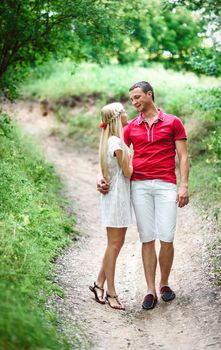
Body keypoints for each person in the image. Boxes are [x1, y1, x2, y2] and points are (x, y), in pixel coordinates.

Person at [97, 81, 189, 310]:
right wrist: (99, 176)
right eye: (132, 99)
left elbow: (184, 156)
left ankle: (164, 284)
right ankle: (150, 290)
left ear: (150, 95)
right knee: (147, 237)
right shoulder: (130, 127)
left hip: (166, 184)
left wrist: (184, 185)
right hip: (139, 186)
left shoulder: (173, 122)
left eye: (138, 97)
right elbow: (110, 152)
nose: (135, 102)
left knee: (167, 236)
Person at [89, 102, 133, 310]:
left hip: (117, 196)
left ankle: (99, 283)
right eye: (124, 111)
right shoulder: (116, 141)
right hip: (116, 197)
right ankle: (111, 292)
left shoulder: (111, 139)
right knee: (114, 244)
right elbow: (128, 172)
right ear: (117, 117)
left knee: (116, 243)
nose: (127, 113)